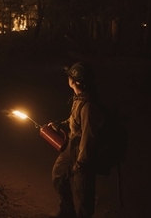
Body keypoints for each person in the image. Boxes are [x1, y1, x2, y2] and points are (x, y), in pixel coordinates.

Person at [50, 62, 104, 218]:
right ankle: (67, 211)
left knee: (83, 191)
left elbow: (89, 135)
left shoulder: (88, 106)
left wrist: (81, 162)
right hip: (71, 146)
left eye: (70, 77)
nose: (68, 79)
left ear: (74, 81)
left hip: (82, 152)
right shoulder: (78, 98)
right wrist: (61, 125)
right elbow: (75, 121)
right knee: (58, 175)